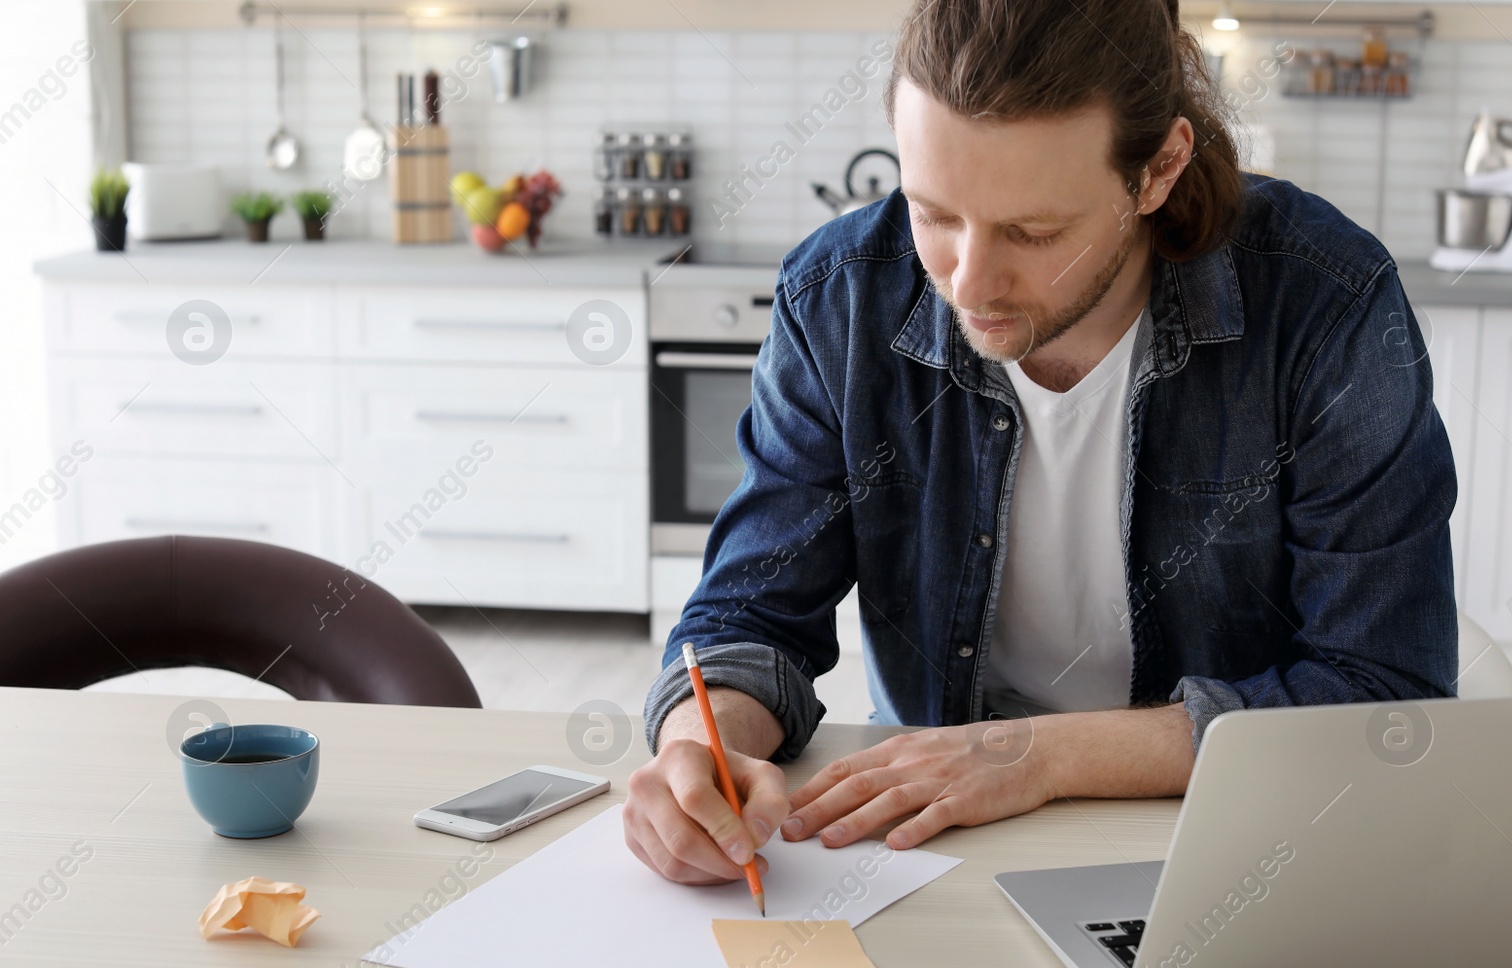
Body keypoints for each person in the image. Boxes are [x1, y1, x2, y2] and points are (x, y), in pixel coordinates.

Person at [622, 0, 1457, 887]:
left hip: (1235, 847)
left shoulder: (1325, 305)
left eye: (1033, 232)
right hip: (938, 844)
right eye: (933, 214)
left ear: (1159, 170)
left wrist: (1034, 756)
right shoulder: (840, 300)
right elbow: (750, 616)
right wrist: (699, 749)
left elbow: (1383, 694)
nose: (968, 281)